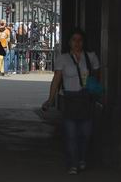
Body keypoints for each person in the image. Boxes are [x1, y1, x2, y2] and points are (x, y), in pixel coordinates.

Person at [42, 28, 101, 174]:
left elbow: (98, 76)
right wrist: (50, 99)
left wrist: (97, 92)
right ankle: (73, 163)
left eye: (80, 40)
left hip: (85, 99)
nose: (77, 43)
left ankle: (81, 158)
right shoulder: (63, 59)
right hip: (70, 99)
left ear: (83, 42)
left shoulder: (91, 57)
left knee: (86, 134)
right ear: (69, 42)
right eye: (74, 40)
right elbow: (57, 80)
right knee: (71, 134)